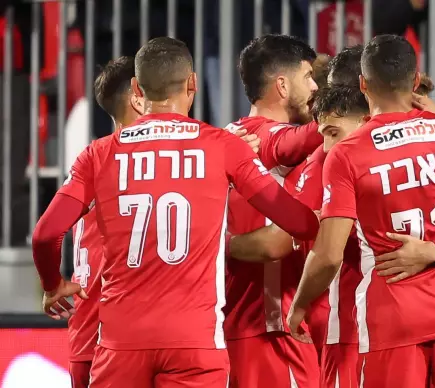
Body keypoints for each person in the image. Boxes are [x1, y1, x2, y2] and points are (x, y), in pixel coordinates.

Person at [31, 37, 319, 388]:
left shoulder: (98, 154)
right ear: (192, 83)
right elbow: (298, 222)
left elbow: (45, 234)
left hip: (121, 344)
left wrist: (53, 284)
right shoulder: (224, 147)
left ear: (139, 88)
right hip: (194, 342)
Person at [288, 34, 435, 388]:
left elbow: (325, 254)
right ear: (416, 81)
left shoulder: (345, 155)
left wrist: (297, 305)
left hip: (384, 319)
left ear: (362, 87)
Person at [222, 34, 324, 388]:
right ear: (282, 85)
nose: (314, 87)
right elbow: (296, 140)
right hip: (273, 332)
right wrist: (353, 114)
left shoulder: (227, 138)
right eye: (307, 77)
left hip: (238, 328)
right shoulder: (265, 139)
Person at [65, 56, 143, 388]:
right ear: (139, 96)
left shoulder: (90, 160)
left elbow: (47, 233)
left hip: (83, 336)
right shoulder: (138, 161)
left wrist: (51, 285)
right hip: (116, 341)